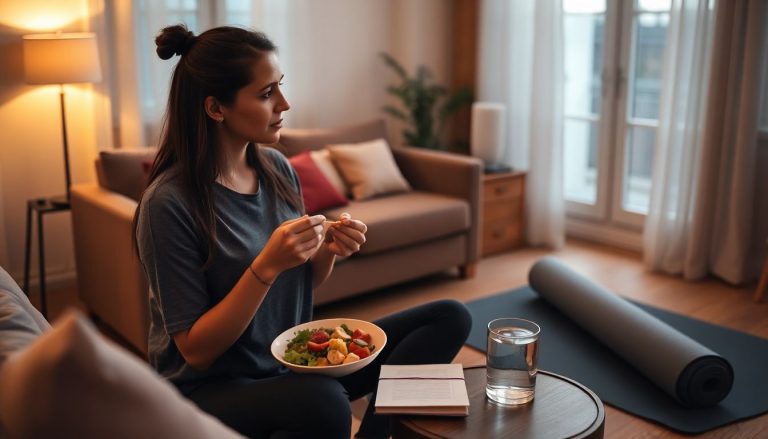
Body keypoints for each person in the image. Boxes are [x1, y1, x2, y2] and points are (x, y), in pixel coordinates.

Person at [134, 24, 472, 439]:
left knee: (448, 318)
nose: (284, 103)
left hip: (288, 364)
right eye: (265, 94)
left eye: (279, 86)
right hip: (210, 388)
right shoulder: (168, 205)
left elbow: (303, 284)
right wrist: (265, 267)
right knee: (325, 402)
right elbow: (196, 350)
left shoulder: (277, 169)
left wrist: (326, 250)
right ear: (215, 108)